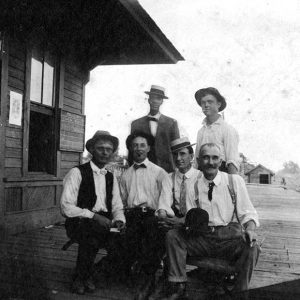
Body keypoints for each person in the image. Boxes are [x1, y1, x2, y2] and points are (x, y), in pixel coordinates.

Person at [162, 143, 259, 299]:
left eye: (215, 158)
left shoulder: (234, 182)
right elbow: (191, 217)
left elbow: (248, 213)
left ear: (220, 161)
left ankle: (240, 292)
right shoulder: (192, 184)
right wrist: (184, 223)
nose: (211, 162)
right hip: (202, 238)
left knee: (252, 247)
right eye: (206, 158)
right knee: (173, 236)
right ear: (199, 161)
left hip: (227, 238)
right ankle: (178, 284)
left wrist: (251, 229)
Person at [60, 130, 125, 295]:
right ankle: (81, 278)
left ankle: (92, 271)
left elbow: (117, 205)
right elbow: (66, 207)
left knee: (127, 240)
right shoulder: (77, 172)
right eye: (100, 148)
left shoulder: (111, 177)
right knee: (92, 236)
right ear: (91, 150)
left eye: (108, 149)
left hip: (105, 222)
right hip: (80, 221)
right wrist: (94, 216)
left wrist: (119, 220)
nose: (104, 152)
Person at [119, 131, 173, 300]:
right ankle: (128, 273)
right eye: (135, 145)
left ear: (149, 148)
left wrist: (161, 213)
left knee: (152, 236)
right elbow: (121, 201)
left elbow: (165, 200)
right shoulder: (125, 175)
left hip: (153, 215)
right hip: (132, 216)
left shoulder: (160, 173)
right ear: (130, 148)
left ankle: (148, 281)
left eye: (142, 145)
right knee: (127, 237)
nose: (139, 149)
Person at [130, 85, 180, 172]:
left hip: (166, 170)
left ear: (162, 102)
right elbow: (131, 150)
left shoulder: (171, 123)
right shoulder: (136, 124)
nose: (155, 101)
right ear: (149, 100)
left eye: (158, 99)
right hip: (143, 169)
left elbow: (177, 150)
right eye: (153, 98)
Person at [158, 136, 201, 229]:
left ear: (191, 156)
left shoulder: (201, 177)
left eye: (182, 154)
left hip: (196, 223)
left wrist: (183, 221)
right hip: (174, 222)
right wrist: (163, 215)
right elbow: (164, 203)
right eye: (175, 154)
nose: (178, 158)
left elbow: (204, 208)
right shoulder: (169, 178)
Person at [194, 87, 239, 174]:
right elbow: (196, 161)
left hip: (221, 176)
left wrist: (231, 184)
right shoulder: (201, 131)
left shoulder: (227, 129)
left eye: (210, 102)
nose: (206, 105)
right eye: (203, 103)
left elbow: (232, 162)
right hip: (202, 177)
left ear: (218, 104)